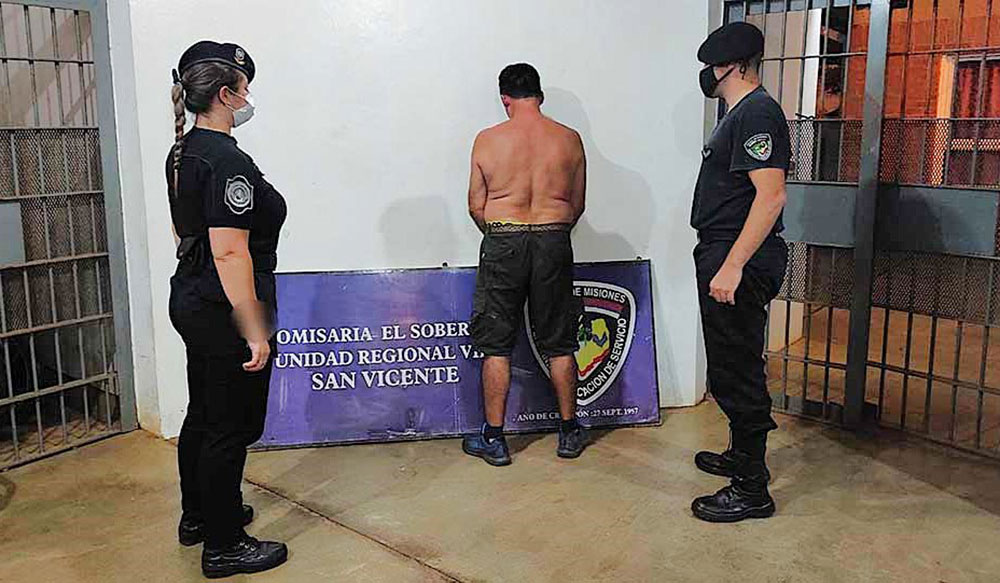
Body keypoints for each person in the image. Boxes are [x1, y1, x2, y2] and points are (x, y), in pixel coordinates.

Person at [167, 40, 288, 578]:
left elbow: (184, 234)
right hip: (226, 305)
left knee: (204, 413)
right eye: (244, 87)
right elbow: (230, 250)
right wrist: (253, 327)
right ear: (224, 94)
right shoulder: (226, 159)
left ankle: (201, 515)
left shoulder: (182, 152)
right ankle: (224, 546)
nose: (248, 96)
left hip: (194, 296)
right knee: (228, 426)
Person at [461, 63, 588, 466]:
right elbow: (577, 204)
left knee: (496, 344)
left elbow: (476, 205)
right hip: (554, 238)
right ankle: (569, 431)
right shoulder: (569, 139)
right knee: (560, 342)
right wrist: (549, 232)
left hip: (504, 237)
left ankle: (495, 439)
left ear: (505, 99)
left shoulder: (487, 139)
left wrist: (503, 233)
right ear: (540, 95)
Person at [689, 22, 790, 523]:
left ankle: (752, 489)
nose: (708, 74)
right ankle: (740, 455)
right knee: (729, 362)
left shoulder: (756, 114)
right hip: (725, 250)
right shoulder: (739, 114)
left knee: (738, 369)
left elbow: (771, 197)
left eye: (712, 65)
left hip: (739, 257)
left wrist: (732, 265)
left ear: (732, 65)